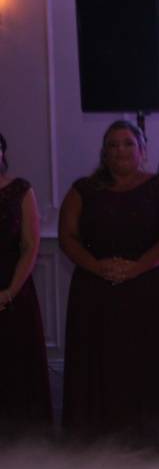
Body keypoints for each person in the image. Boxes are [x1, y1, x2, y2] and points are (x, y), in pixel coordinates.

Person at [59, 120, 159, 441]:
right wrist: (98, 266)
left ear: (143, 150)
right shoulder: (83, 189)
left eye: (128, 143)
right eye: (113, 145)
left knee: (145, 364)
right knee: (99, 365)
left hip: (148, 290)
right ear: (104, 153)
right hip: (95, 292)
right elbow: (68, 238)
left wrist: (136, 268)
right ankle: (96, 435)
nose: (120, 150)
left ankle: (147, 434)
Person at [0, 131, 53, 436]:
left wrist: (9, 291)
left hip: (14, 285)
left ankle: (23, 438)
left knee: (16, 363)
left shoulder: (20, 190)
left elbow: (30, 245)